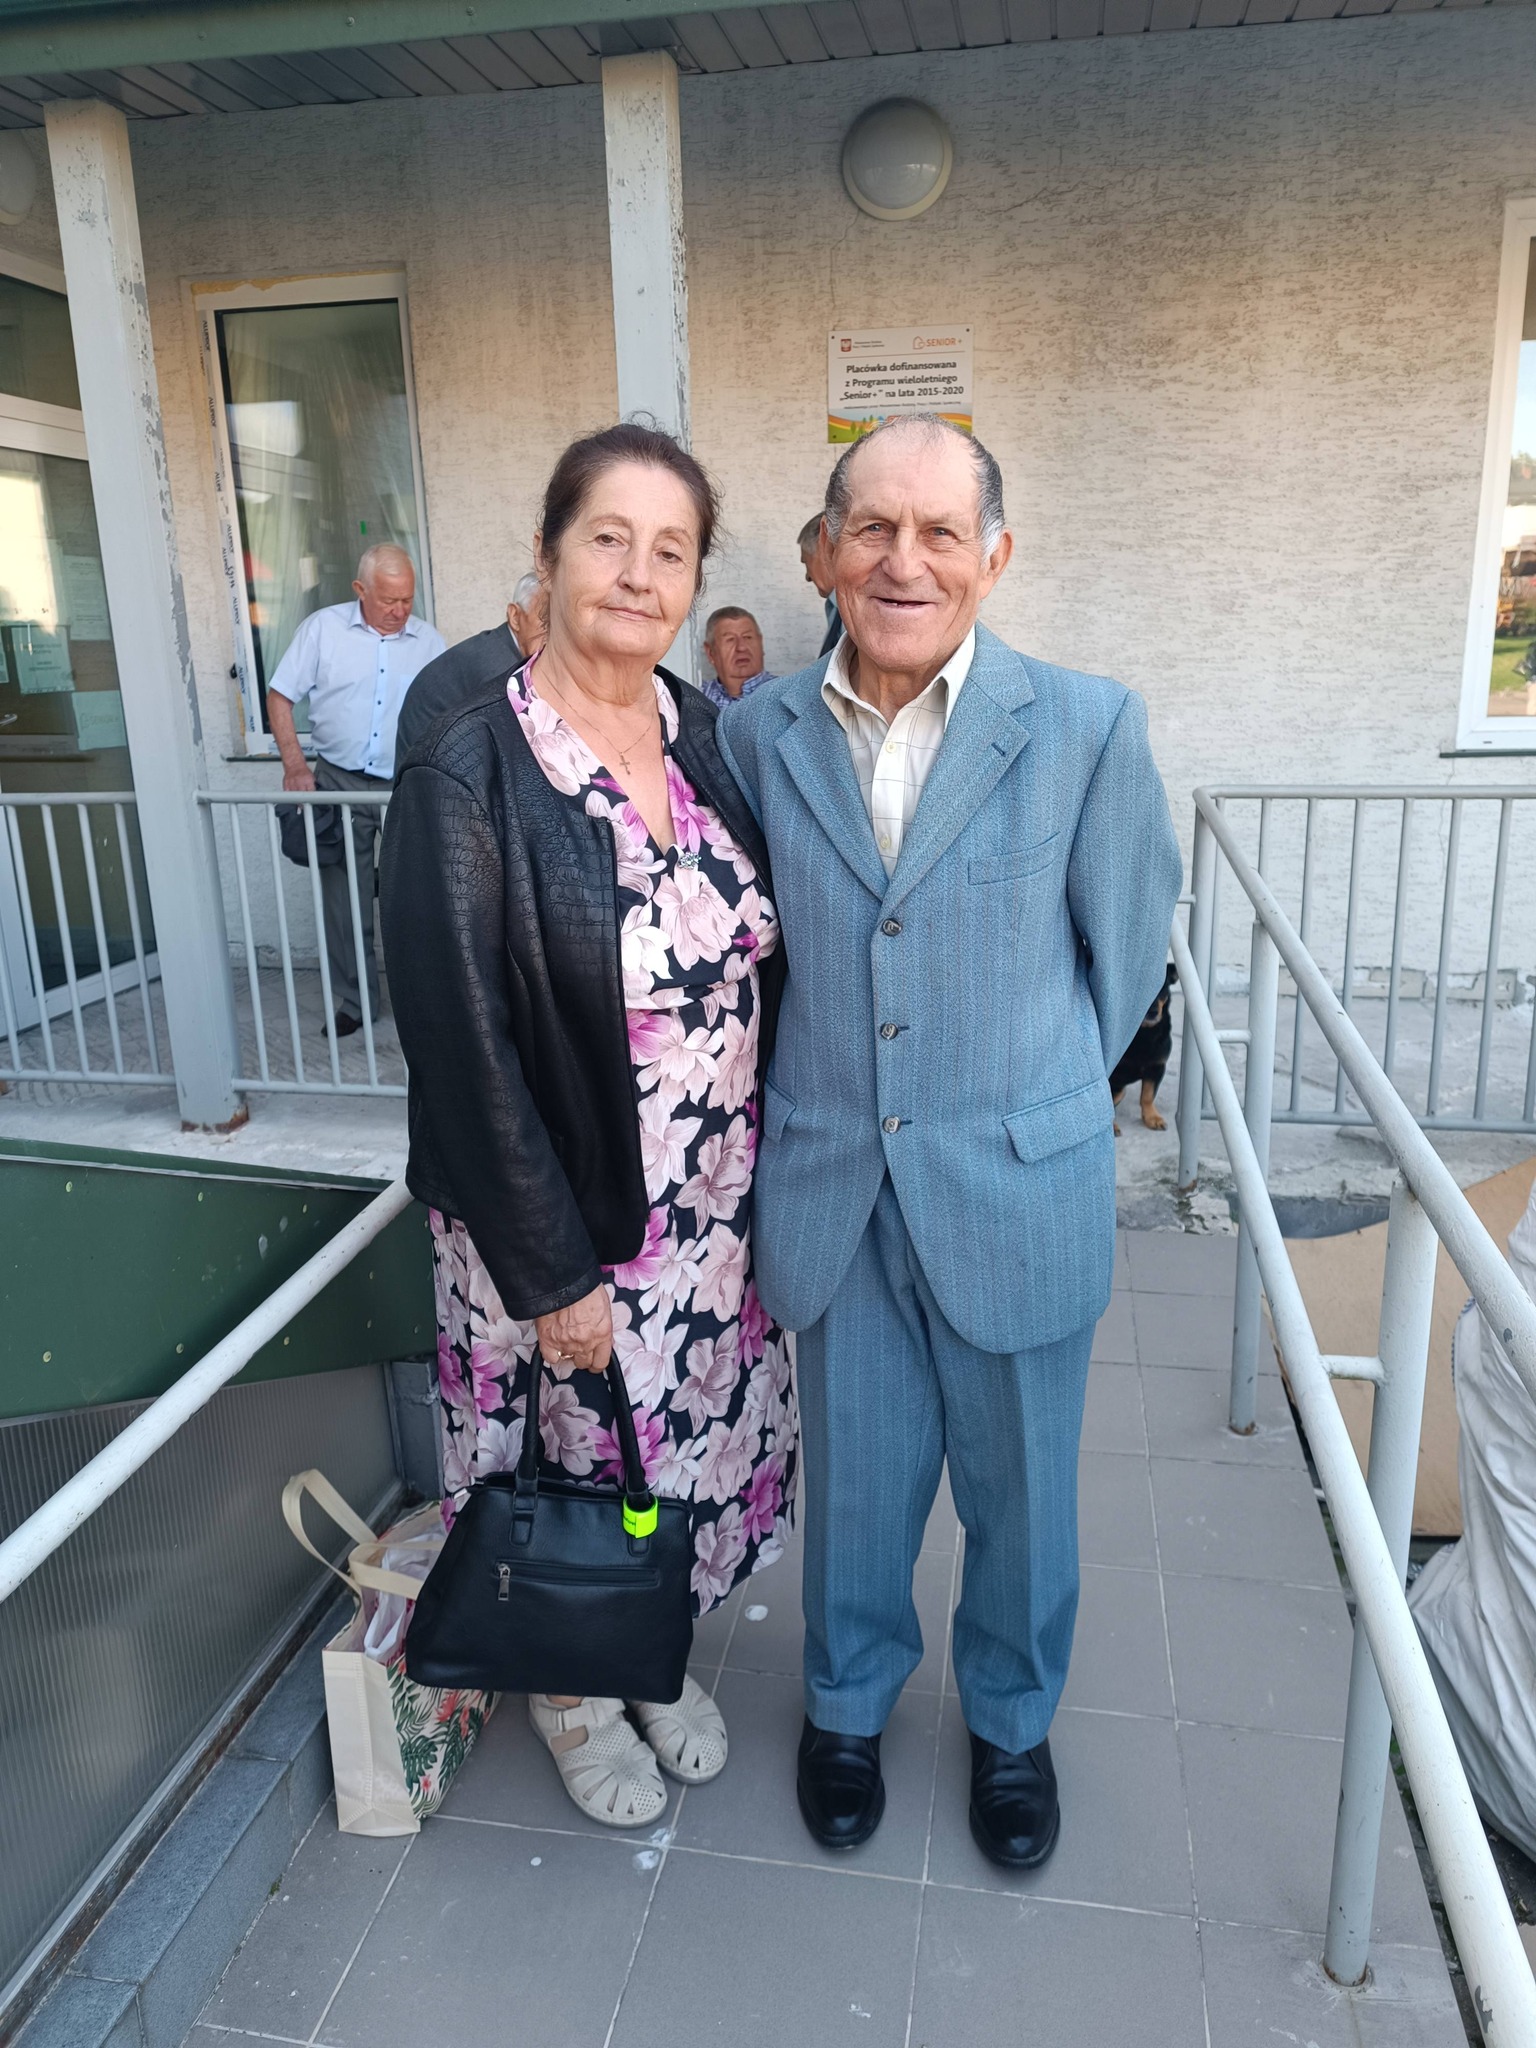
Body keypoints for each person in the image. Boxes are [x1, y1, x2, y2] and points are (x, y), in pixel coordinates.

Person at [718, 415, 1180, 1867]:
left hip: (1017, 1184)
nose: (902, 560)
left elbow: (1125, 962)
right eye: (872, 527)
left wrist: (1024, 1094)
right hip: (835, 1178)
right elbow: (756, 960)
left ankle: (1012, 1724)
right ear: (826, 552)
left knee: (1022, 1497)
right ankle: (846, 1706)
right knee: (858, 1486)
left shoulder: (1088, 727)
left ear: (994, 554)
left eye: (937, 531)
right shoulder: (756, 734)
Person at [380, 423, 796, 1830]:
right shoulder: (471, 765)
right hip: (560, 1224)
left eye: (670, 549)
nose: (637, 573)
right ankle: (571, 1688)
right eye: (607, 538)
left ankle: (646, 1645)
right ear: (548, 555)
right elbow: (460, 1044)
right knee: (575, 1466)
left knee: (667, 1462)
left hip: (710, 1221)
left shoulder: (706, 736)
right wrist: (551, 1270)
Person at [267, 543, 445, 1038]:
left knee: (417, 896)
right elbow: (280, 697)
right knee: (344, 900)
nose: (400, 611)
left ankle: (426, 1002)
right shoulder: (322, 630)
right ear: (360, 590)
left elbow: (451, 712)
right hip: (339, 781)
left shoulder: (429, 643)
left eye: (407, 600)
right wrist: (295, 765)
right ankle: (356, 1000)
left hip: (405, 786)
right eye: (388, 600)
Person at [395, 572, 548, 763]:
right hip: (427, 770)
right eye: (545, 619)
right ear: (515, 616)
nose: (555, 633)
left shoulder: (501, 650)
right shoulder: (499, 666)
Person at [700, 606, 774, 707]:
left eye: (748, 637)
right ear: (710, 652)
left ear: (761, 643)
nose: (741, 647)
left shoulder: (785, 694)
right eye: (730, 639)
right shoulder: (694, 699)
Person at [798, 513, 842, 657]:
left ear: (827, 551)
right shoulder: (834, 609)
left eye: (806, 562)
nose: (808, 577)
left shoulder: (857, 610)